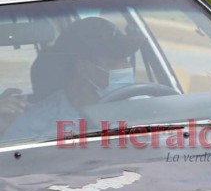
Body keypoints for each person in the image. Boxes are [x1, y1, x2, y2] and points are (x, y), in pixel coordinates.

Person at [2, 17, 144, 141]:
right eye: (115, 60)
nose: (126, 67)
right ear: (83, 68)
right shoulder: (33, 127)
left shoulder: (144, 106)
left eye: (127, 59)